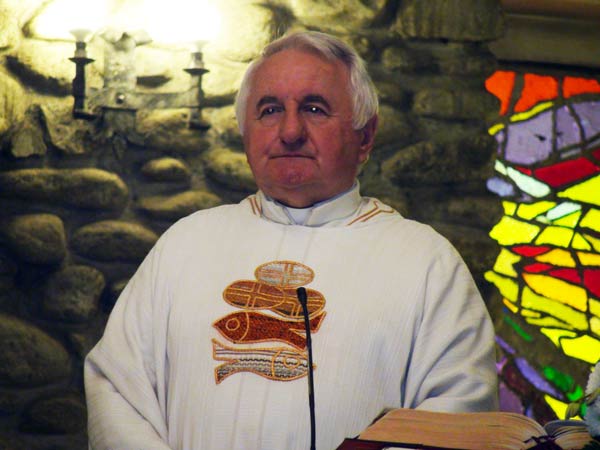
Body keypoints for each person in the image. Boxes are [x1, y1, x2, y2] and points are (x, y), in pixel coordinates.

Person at [84, 31, 498, 450]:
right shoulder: (185, 245)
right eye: (270, 110)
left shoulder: (426, 263)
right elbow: (118, 389)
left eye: (315, 109)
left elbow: (455, 421)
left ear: (366, 136)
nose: (290, 130)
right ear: (245, 132)